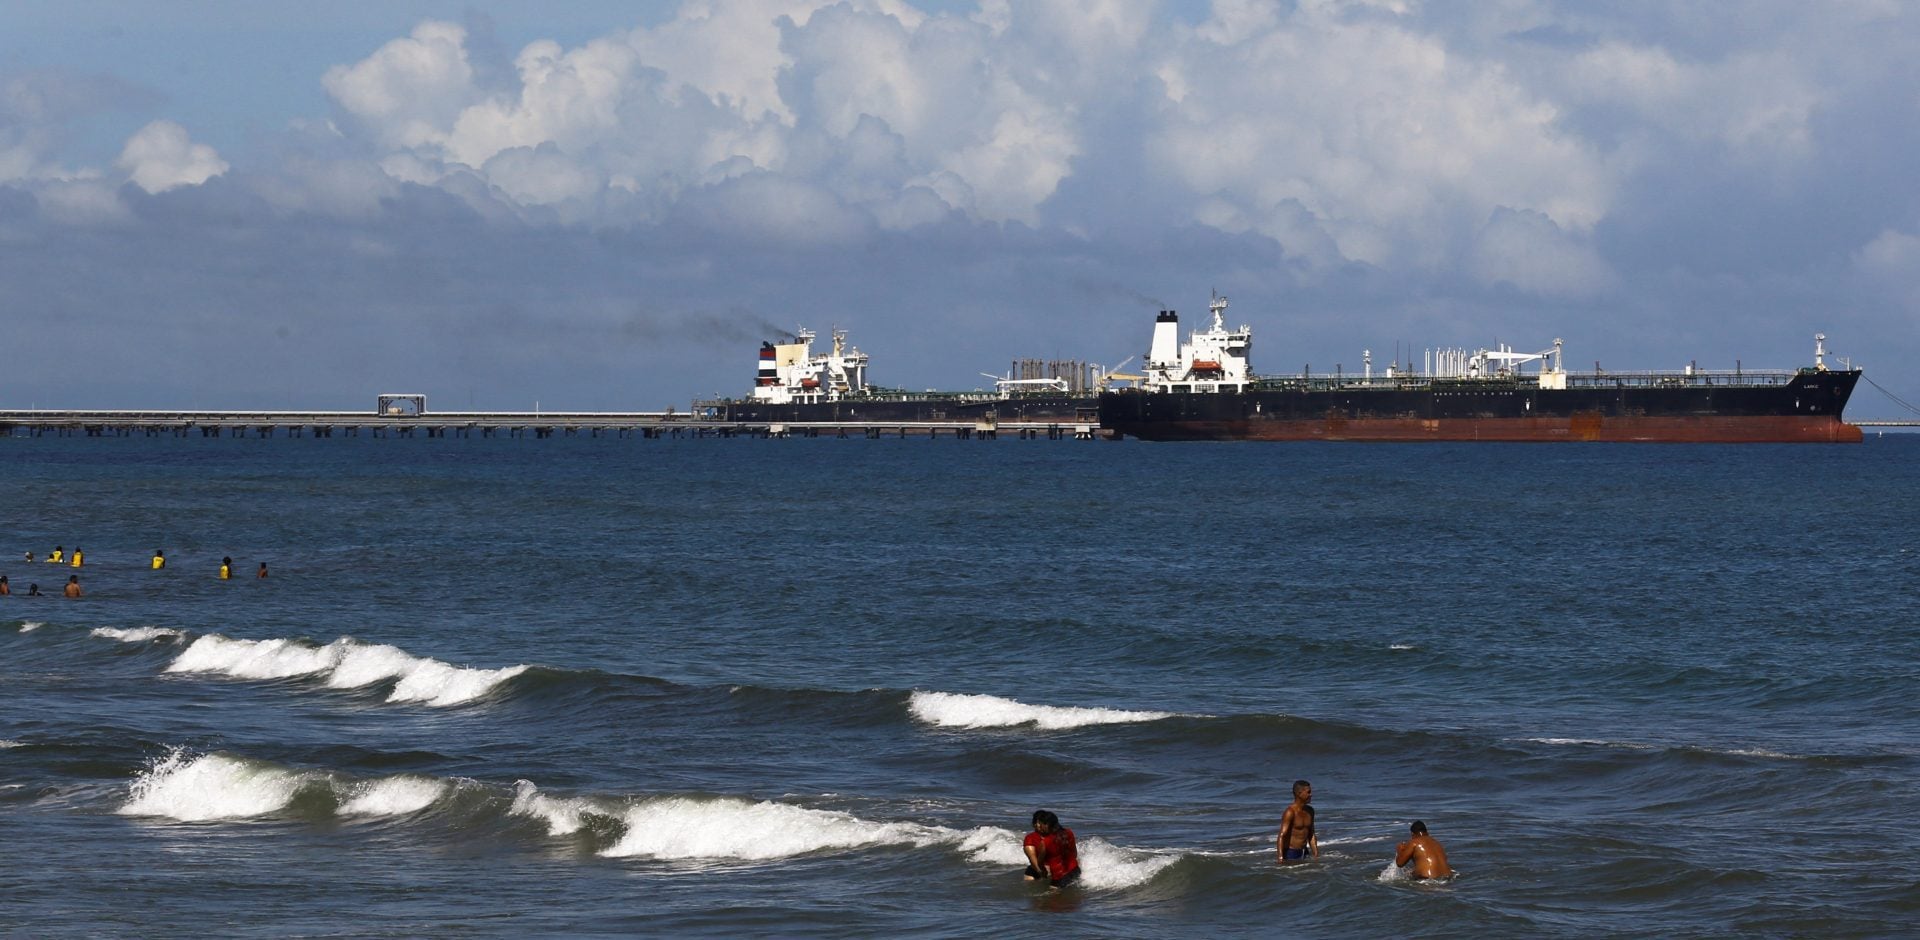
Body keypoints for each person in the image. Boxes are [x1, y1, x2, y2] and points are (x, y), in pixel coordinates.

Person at [1021, 810, 1081, 887]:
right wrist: (1041, 872)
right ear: (1034, 824)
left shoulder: (1059, 836)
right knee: (1030, 882)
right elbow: (1032, 858)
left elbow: (1073, 853)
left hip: (1058, 871)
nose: (1039, 826)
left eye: (1041, 823)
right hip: (1041, 869)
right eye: (1038, 823)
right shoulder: (1031, 838)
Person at [1276, 780, 1318, 863]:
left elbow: (1311, 834)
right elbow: (1281, 835)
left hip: (1304, 851)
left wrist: (1315, 853)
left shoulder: (1310, 811)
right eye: (1308, 792)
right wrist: (1280, 857)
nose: (1311, 795)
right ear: (1299, 793)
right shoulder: (1290, 812)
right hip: (1290, 853)